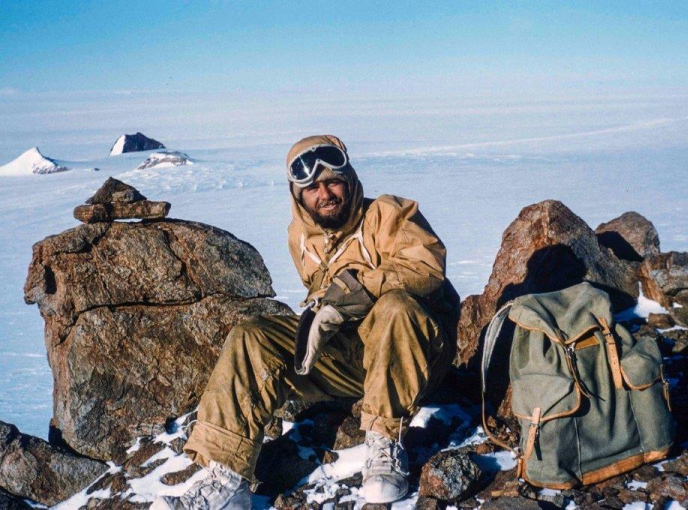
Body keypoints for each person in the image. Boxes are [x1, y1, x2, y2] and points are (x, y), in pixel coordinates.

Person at [152, 135, 459, 509]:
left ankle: (384, 443)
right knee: (251, 337)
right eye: (311, 187)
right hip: (356, 363)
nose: (324, 193)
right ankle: (227, 476)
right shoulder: (302, 238)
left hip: (418, 358)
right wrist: (319, 315)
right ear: (298, 196)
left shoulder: (388, 214)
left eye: (333, 181)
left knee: (396, 306)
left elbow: (425, 267)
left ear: (350, 181)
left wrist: (352, 291)